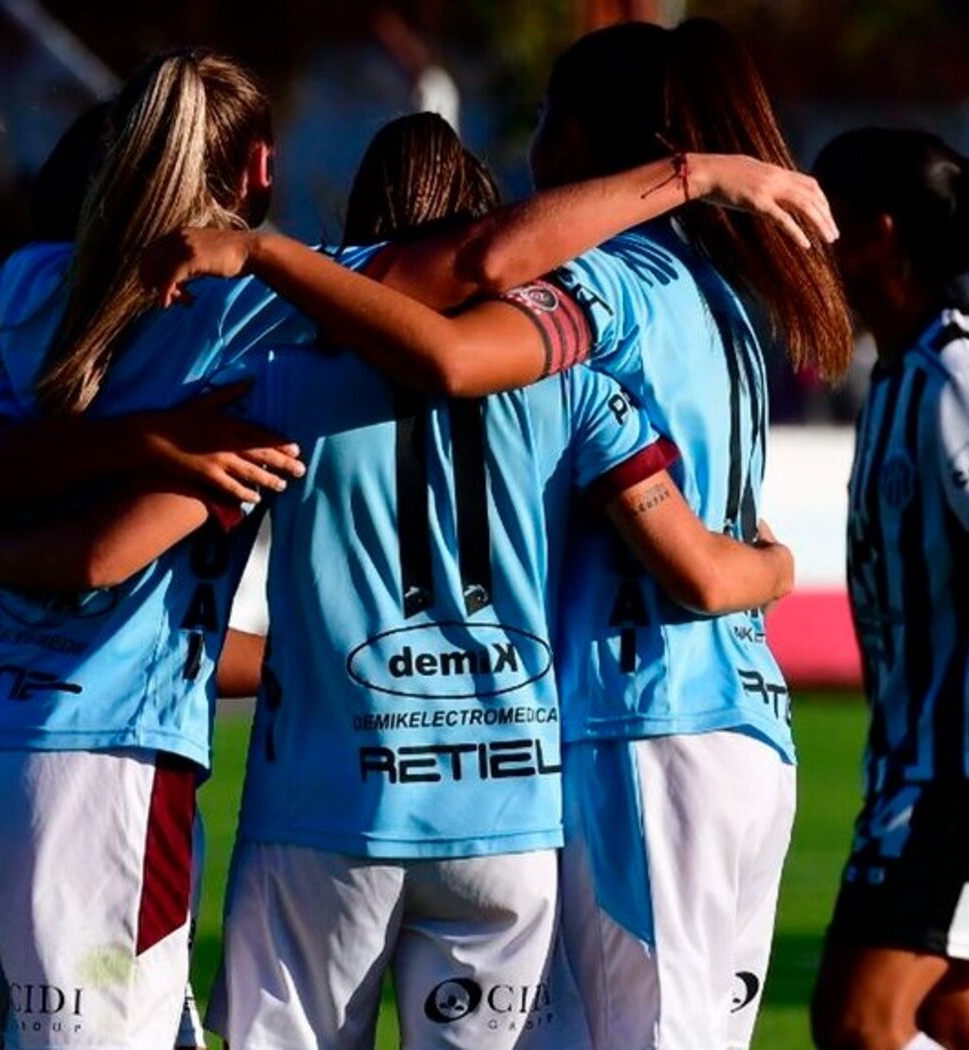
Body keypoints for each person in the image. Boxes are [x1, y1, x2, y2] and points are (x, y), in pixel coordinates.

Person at [143, 21, 852, 1050]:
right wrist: (778, 566)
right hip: (718, 731)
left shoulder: (601, 287)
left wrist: (263, 256)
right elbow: (707, 552)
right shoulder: (722, 299)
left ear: (573, 141)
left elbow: (456, 341)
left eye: (544, 120)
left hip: (632, 726)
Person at [0, 79, 301, 1050]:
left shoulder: (57, 343)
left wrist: (311, 666)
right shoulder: (138, 361)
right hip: (72, 758)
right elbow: (50, 531)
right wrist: (152, 441)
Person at [809, 128, 969, 1050]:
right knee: (945, 1012)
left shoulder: (950, 377)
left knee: (860, 1019)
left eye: (819, 217)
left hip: (951, 777)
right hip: (914, 763)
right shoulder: (899, 378)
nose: (803, 239)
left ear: (875, 232)